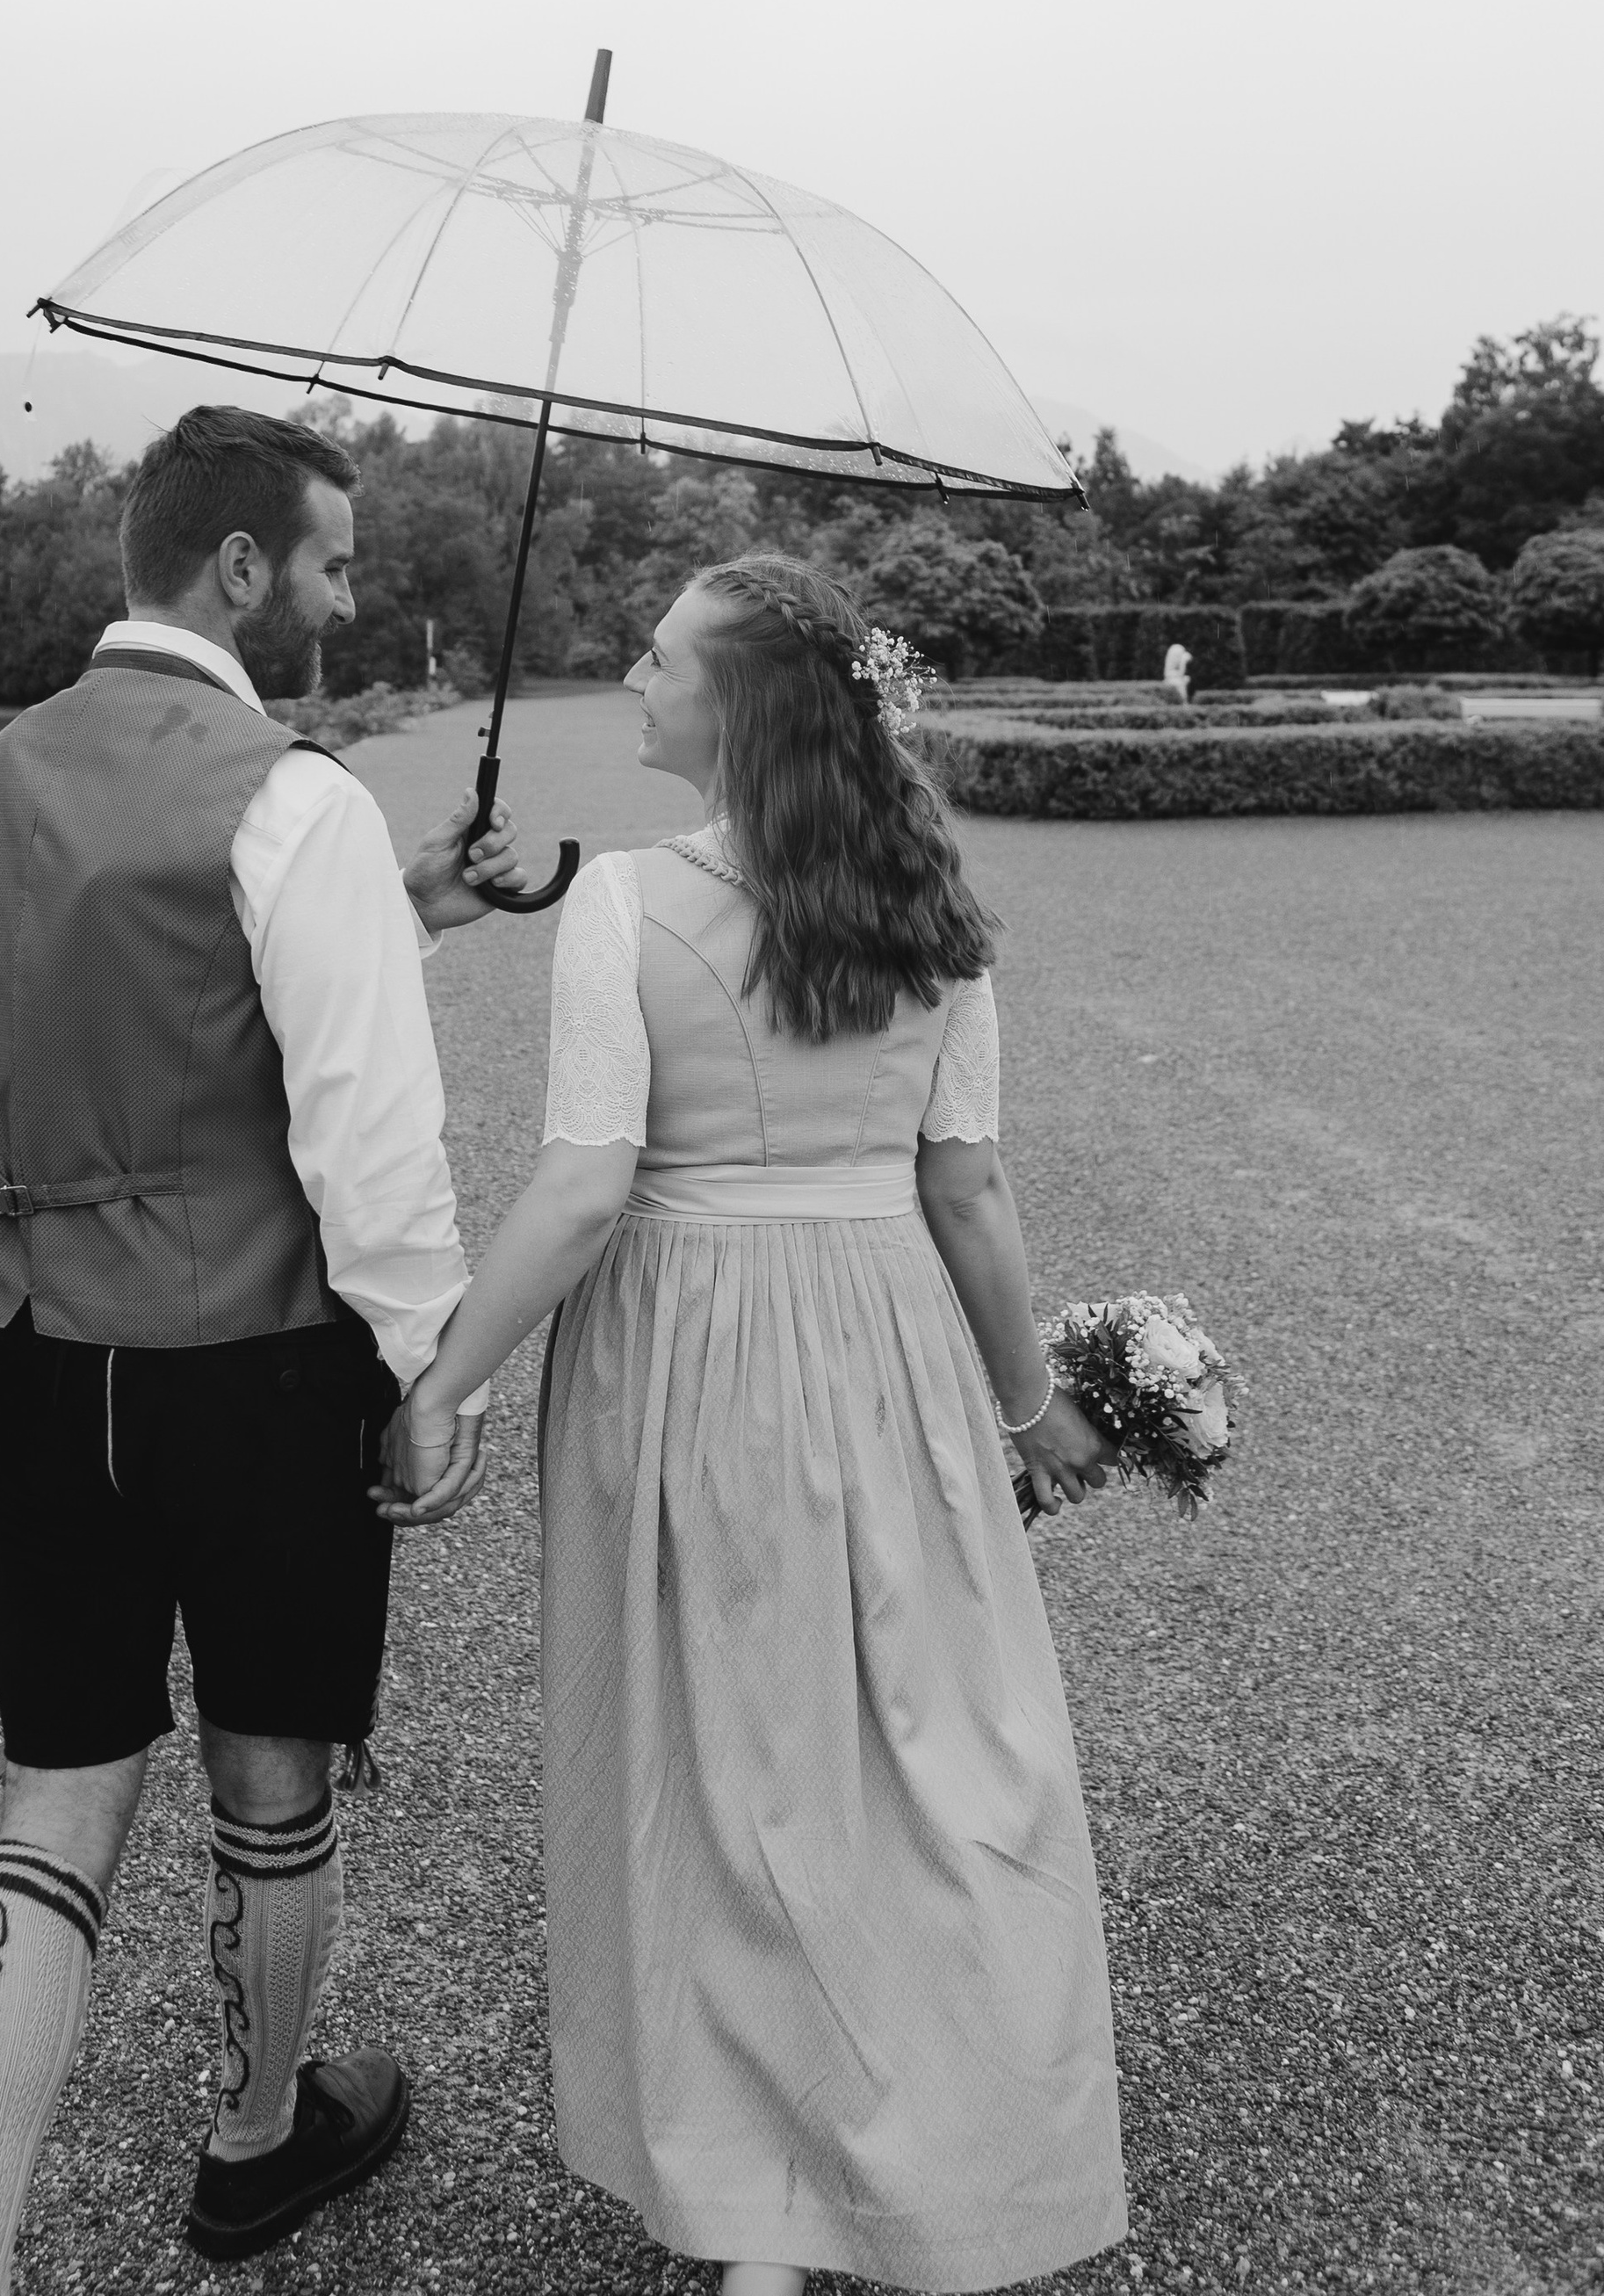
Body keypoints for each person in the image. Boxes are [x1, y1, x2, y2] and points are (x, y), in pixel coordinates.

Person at [379, 551, 1129, 2295]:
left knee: (724, 1768)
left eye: (655, 661)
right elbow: (969, 1186)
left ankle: (759, 2219)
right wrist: (1028, 1408)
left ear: (735, 705)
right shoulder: (928, 906)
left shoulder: (628, 905)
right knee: (920, 1753)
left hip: (689, 1358)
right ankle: (930, 2149)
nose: (632, 680)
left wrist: (444, 1377)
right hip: (885, 1355)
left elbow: (581, 1191)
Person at [0, 404, 516, 2287]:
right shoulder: (290, 794)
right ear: (242, 567)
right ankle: (255, 2146)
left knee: (63, 1782)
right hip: (254, 1370)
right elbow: (359, 1125)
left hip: (43, 1361)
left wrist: (401, 901)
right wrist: (433, 1369)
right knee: (268, 1768)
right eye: (330, 560)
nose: (342, 594)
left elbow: (144, 1003)